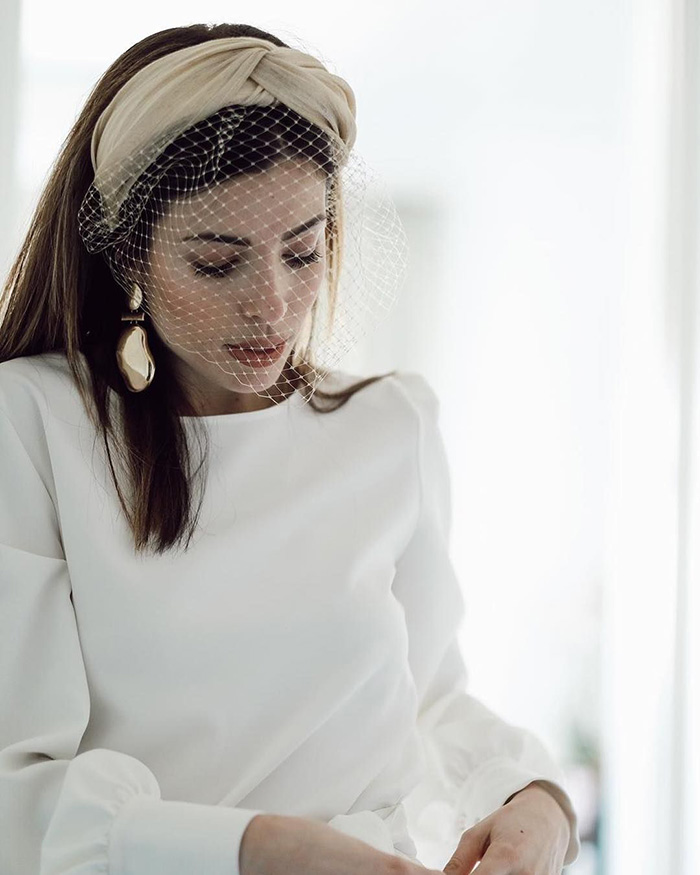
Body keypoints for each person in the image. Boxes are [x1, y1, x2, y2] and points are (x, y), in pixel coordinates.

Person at [0, 23, 581, 875]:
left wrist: (536, 797)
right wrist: (256, 847)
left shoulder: (391, 426)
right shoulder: (33, 424)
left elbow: (430, 699)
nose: (272, 303)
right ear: (128, 253)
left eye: (302, 251)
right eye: (217, 261)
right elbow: (16, 793)